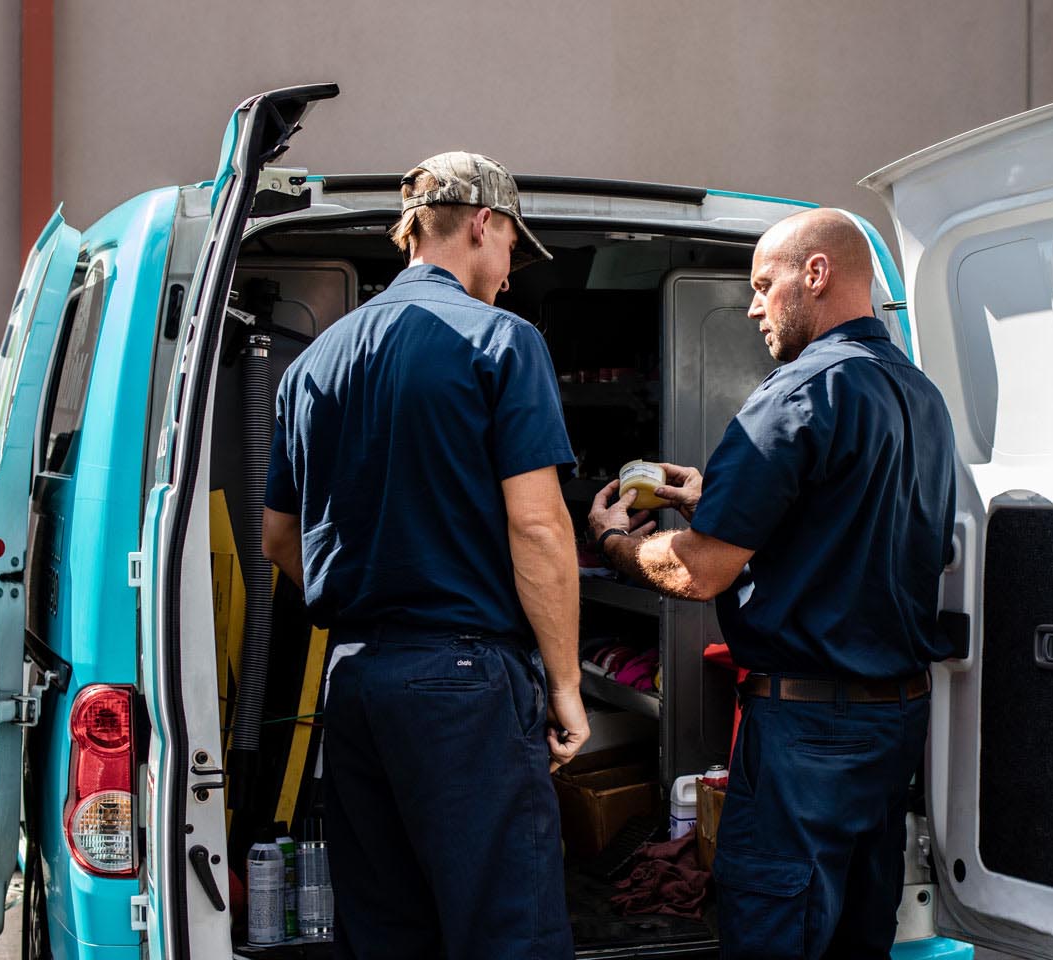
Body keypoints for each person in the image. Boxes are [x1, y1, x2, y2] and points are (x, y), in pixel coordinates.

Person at [587, 207, 956, 958]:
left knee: (775, 930)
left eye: (764, 285)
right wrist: (709, 498)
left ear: (815, 274)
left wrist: (616, 543)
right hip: (894, 727)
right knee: (861, 931)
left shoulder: (797, 393)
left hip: (804, 741)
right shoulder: (922, 397)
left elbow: (696, 570)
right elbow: (843, 519)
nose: (753, 305)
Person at [262, 152, 587, 960]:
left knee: (387, 932)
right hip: (464, 684)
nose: (510, 276)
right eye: (512, 248)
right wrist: (569, 685)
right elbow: (540, 528)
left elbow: (278, 539)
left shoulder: (313, 365)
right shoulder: (503, 343)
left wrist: (377, 594)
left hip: (357, 679)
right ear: (484, 223)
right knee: (506, 930)